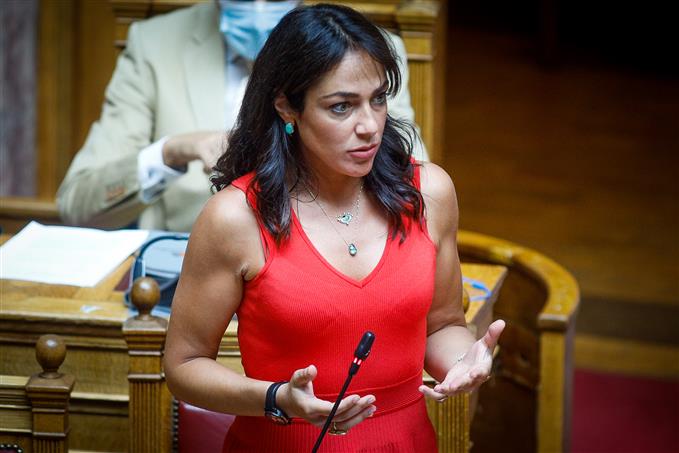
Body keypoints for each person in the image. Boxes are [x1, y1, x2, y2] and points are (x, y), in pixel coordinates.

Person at [163, 4, 504, 452]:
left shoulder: (429, 193)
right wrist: (277, 398)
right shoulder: (235, 218)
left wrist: (463, 361)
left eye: (378, 99)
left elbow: (442, 325)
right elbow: (184, 366)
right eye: (341, 107)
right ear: (287, 106)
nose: (370, 126)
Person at [56, 0, 426, 232]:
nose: (259, 6)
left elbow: (411, 189)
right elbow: (77, 204)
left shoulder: (367, 51)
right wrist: (172, 151)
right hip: (183, 280)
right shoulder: (154, 44)